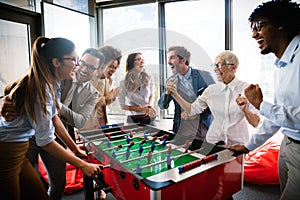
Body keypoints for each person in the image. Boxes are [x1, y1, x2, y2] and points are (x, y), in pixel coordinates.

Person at [0, 37, 101, 200]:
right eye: (74, 60)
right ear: (56, 62)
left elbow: (55, 118)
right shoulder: (43, 88)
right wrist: (82, 165)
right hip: (8, 150)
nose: (77, 65)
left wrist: (74, 149)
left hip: (20, 147)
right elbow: (45, 141)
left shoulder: (51, 82)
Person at [229, 0, 300, 199]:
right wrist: (247, 147)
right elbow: (276, 116)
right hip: (288, 144)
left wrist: (260, 104)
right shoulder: (281, 64)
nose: (254, 34)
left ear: (280, 24)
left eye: (259, 26)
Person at [25, 47, 104, 200]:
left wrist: (55, 105)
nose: (84, 69)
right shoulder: (61, 74)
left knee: (59, 183)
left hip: (60, 135)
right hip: (31, 132)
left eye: (91, 67)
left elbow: (79, 121)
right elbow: (30, 88)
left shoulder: (93, 94)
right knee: (26, 182)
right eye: (83, 63)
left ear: (97, 71)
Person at [167, 50, 260, 147]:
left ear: (233, 67)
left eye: (219, 65)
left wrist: (245, 110)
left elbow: (255, 123)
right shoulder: (211, 90)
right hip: (212, 144)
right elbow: (191, 110)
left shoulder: (247, 89)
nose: (215, 69)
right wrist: (175, 94)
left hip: (237, 146)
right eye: (214, 65)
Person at [158, 46, 215, 142]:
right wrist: (167, 93)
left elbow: (214, 102)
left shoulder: (205, 76)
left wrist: (196, 115)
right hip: (182, 127)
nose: (168, 62)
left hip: (204, 125)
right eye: (168, 58)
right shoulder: (170, 81)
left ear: (183, 60)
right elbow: (162, 106)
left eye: (172, 57)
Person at [82, 45, 122, 129]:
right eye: (111, 66)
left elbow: (104, 102)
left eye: (115, 67)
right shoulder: (88, 78)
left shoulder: (108, 80)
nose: (113, 70)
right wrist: (109, 96)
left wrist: (114, 96)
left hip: (102, 123)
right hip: (88, 125)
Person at [118, 52, 156, 125]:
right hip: (133, 119)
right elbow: (122, 106)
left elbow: (152, 95)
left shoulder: (149, 78)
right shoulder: (123, 82)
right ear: (131, 64)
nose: (142, 61)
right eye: (138, 59)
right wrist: (141, 109)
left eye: (142, 59)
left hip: (147, 117)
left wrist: (149, 107)